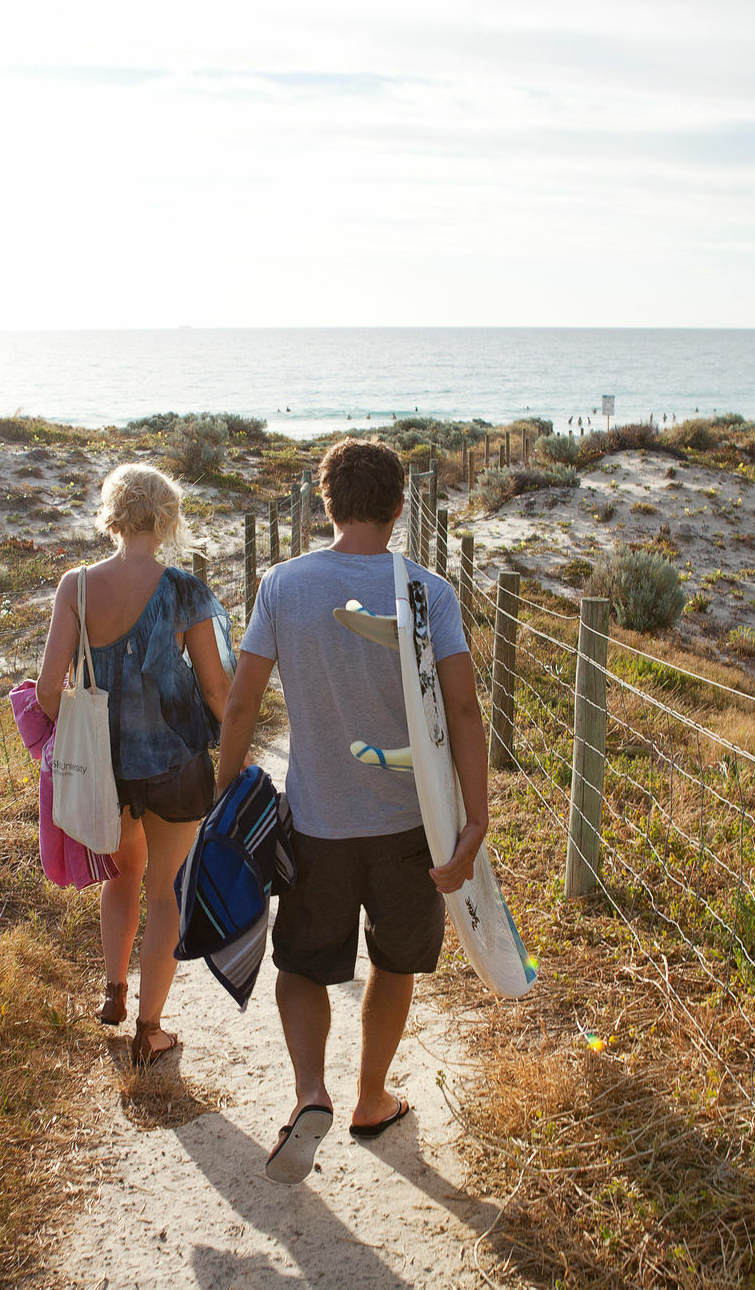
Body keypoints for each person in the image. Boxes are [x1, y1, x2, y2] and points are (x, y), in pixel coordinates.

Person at [214, 438, 488, 1183]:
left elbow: (242, 699)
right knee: (394, 961)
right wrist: (476, 818)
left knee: (302, 963)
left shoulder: (285, 584)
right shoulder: (429, 590)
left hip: (316, 823)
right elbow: (463, 709)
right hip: (413, 826)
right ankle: (371, 1097)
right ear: (400, 507)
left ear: (325, 502)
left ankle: (310, 1092)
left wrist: (225, 789)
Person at [36, 463, 233, 1065]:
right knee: (167, 893)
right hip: (174, 766)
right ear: (167, 517)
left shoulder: (78, 586)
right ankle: (150, 1030)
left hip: (104, 770)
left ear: (113, 515)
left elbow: (49, 692)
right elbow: (218, 692)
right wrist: (236, 753)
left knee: (121, 876)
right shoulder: (185, 590)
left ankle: (113, 992)